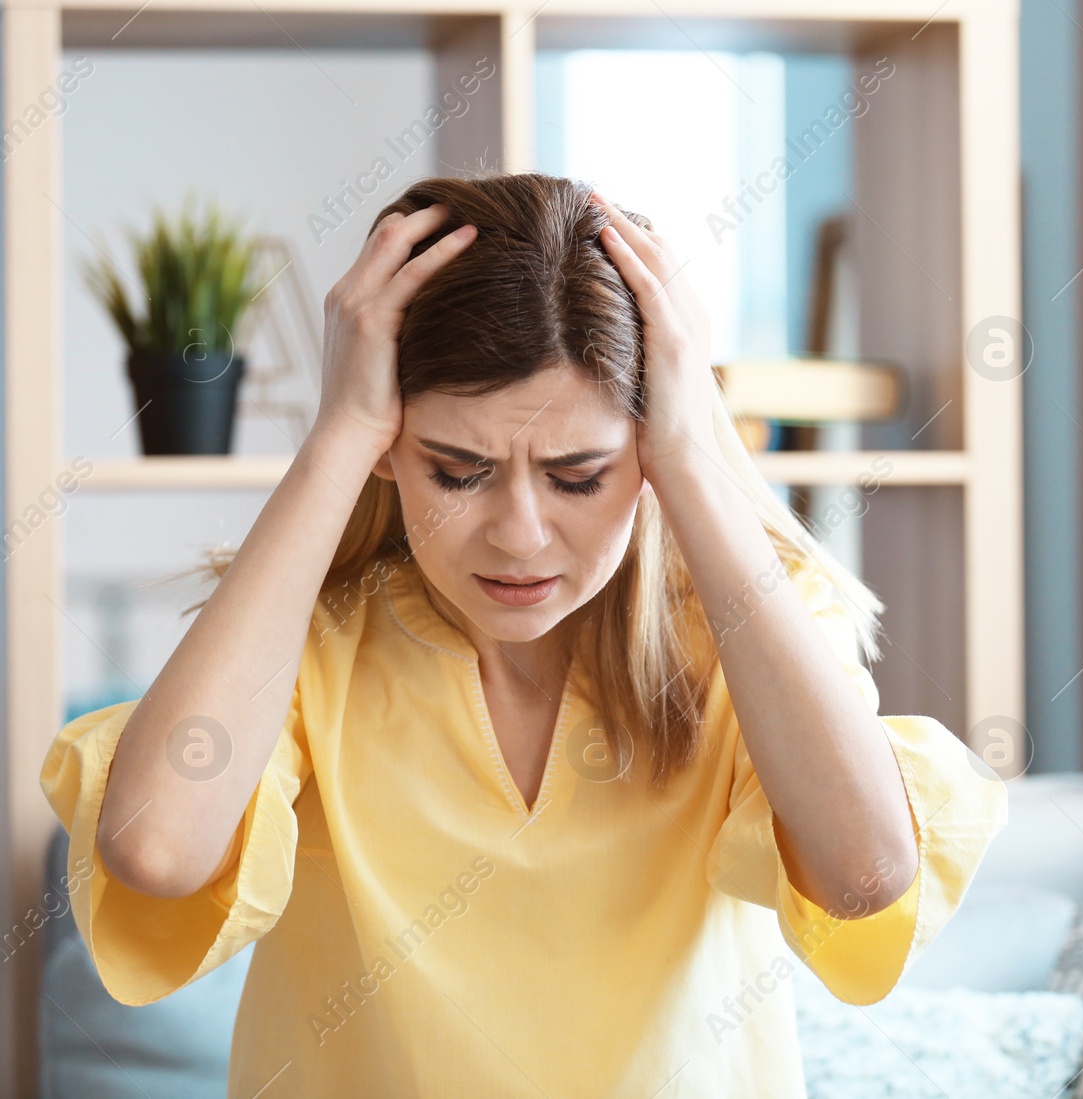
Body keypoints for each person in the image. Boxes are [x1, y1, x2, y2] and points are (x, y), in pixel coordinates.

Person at [39, 170, 1009, 1098]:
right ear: (390, 446)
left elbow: (864, 873)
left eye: (579, 475)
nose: (519, 535)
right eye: (457, 470)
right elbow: (156, 848)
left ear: (644, 450)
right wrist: (337, 435)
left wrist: (691, 449)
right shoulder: (314, 646)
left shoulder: (743, 627)